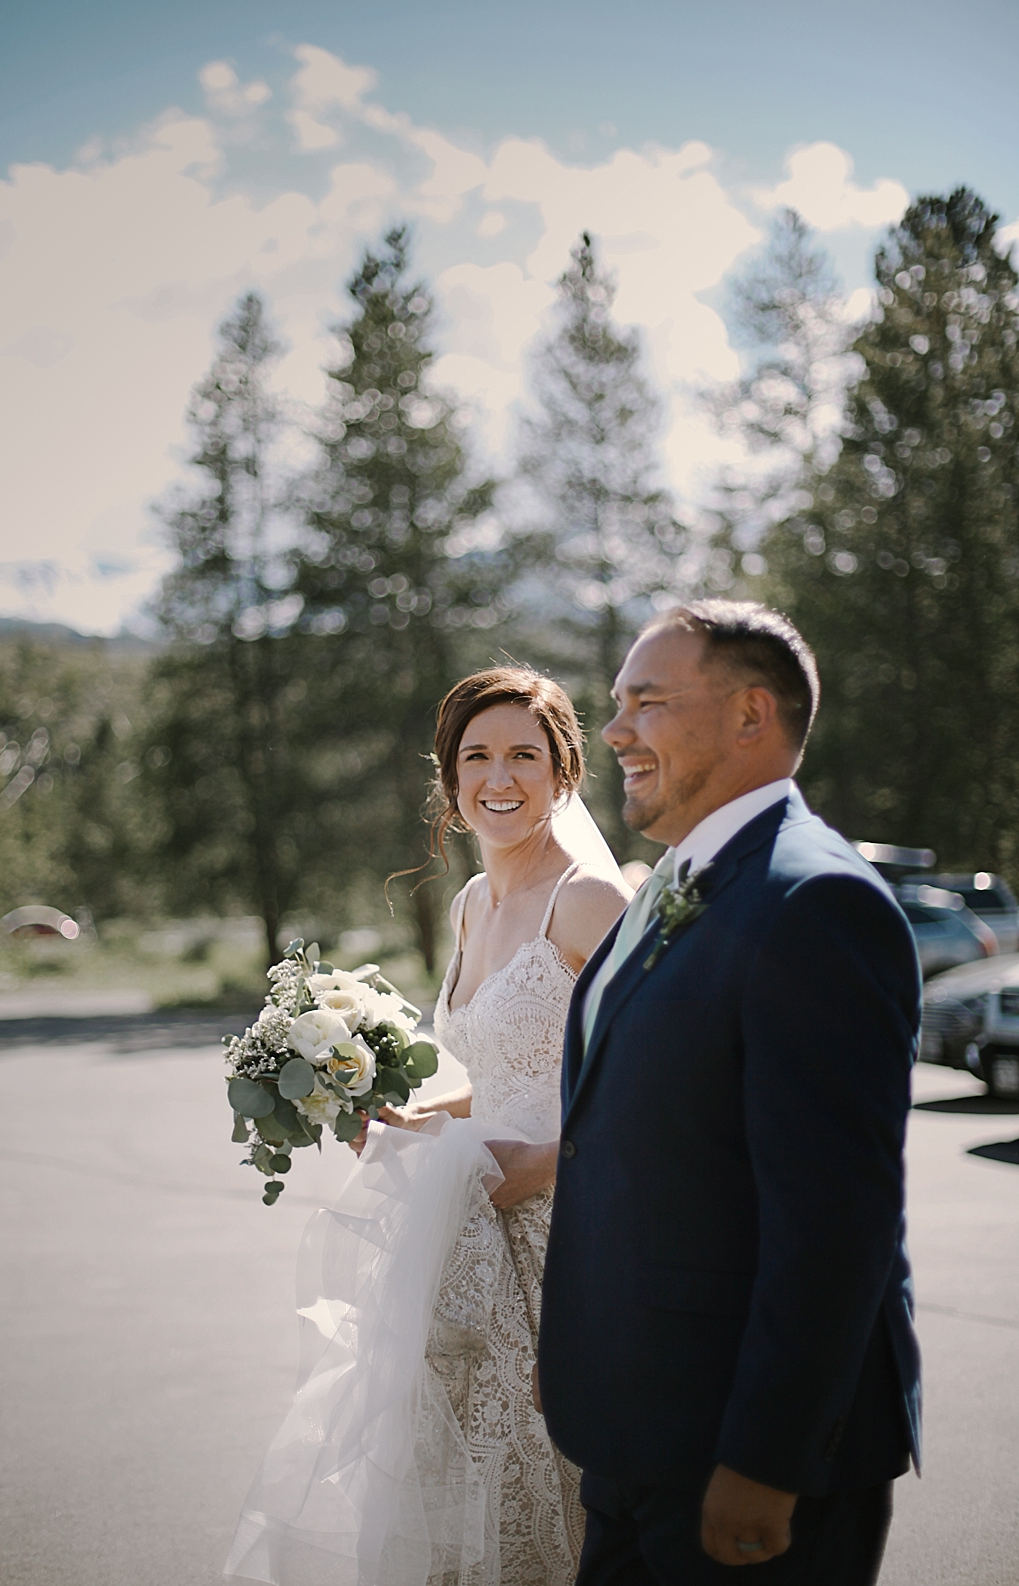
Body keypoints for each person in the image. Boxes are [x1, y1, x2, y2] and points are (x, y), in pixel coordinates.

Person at [538, 601, 922, 1586]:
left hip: (738, 1454)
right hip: (635, 1435)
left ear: (751, 715)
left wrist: (764, 1457)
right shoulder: (676, 882)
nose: (614, 729)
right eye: (615, 703)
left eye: (648, 702)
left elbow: (834, 1220)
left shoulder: (813, 902)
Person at [226, 666, 630, 1586]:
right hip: (459, 1229)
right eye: (476, 756)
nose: (499, 776)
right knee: (454, 1479)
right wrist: (414, 1116)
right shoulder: (467, 905)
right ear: (448, 781)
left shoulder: (589, 904)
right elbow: (500, 1079)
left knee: (556, 1481)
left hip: (564, 1234)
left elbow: (650, 1086)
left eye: (524, 755)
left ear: (563, 774)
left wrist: (551, 1163)